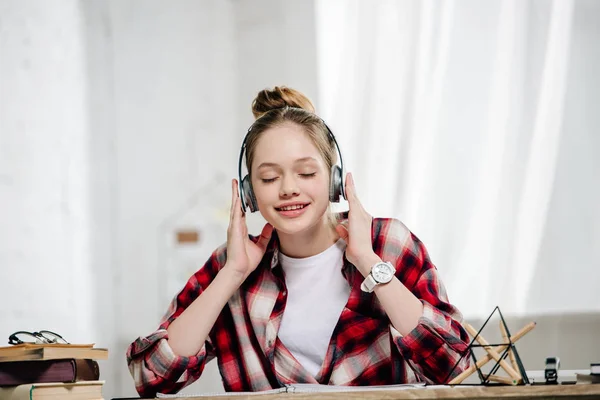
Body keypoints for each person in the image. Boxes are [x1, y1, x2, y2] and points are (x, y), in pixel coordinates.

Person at [126, 86, 470, 397]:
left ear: (334, 179)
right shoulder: (232, 264)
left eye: (306, 173)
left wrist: (367, 261)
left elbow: (454, 366)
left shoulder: (387, 243)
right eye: (269, 177)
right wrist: (231, 275)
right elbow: (152, 376)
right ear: (248, 193)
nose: (289, 188)